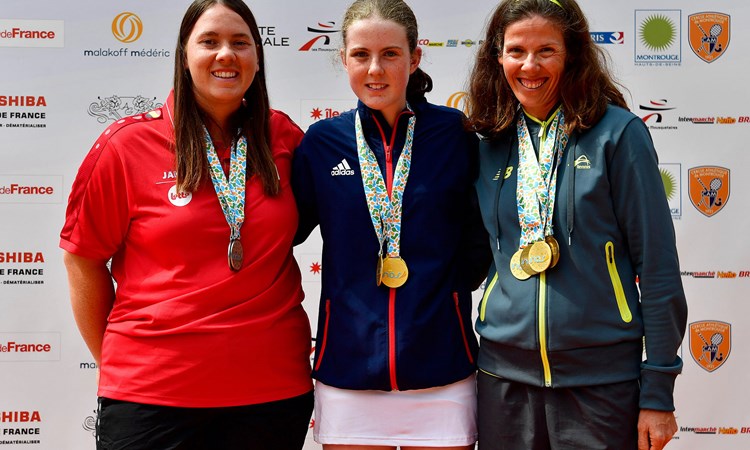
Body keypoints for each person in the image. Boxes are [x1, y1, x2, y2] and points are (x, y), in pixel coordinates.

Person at [60, 1, 313, 448]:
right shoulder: (126, 146)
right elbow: (83, 260)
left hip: (272, 392)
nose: (226, 55)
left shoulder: (284, 136)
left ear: (258, 56)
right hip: (152, 395)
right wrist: (121, 364)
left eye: (240, 43)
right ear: (183, 54)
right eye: (209, 42)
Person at [466, 0, 688, 449]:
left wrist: (659, 392)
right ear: (498, 58)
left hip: (601, 384)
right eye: (516, 51)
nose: (530, 66)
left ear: (573, 55)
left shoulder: (618, 135)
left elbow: (659, 266)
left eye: (546, 50)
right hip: (503, 382)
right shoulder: (487, 142)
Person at [292, 0, 490, 448]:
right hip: (348, 368)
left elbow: (478, 234)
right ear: (343, 58)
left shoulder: (454, 134)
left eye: (391, 54)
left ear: (415, 57)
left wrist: (447, 296)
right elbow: (285, 230)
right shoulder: (322, 143)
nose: (375, 69)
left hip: (442, 366)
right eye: (361, 54)